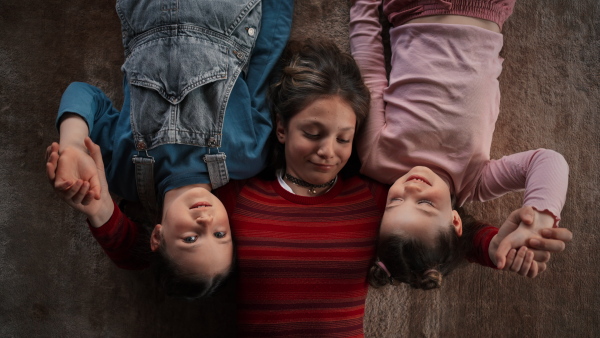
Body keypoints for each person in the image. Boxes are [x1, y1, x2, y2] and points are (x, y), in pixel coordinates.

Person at [45, 0, 294, 299]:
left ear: (157, 235)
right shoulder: (248, 156)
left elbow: (84, 93)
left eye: (191, 238)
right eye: (219, 235)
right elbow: (267, 63)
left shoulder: (123, 174)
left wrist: (73, 144)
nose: (206, 222)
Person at [349, 0, 572, 290]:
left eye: (395, 202)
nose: (411, 189)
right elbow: (548, 161)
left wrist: (363, 6)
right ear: (455, 221)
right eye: (425, 204)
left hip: (414, 9)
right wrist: (540, 217)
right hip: (485, 8)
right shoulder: (475, 181)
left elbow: (369, 74)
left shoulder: (376, 158)